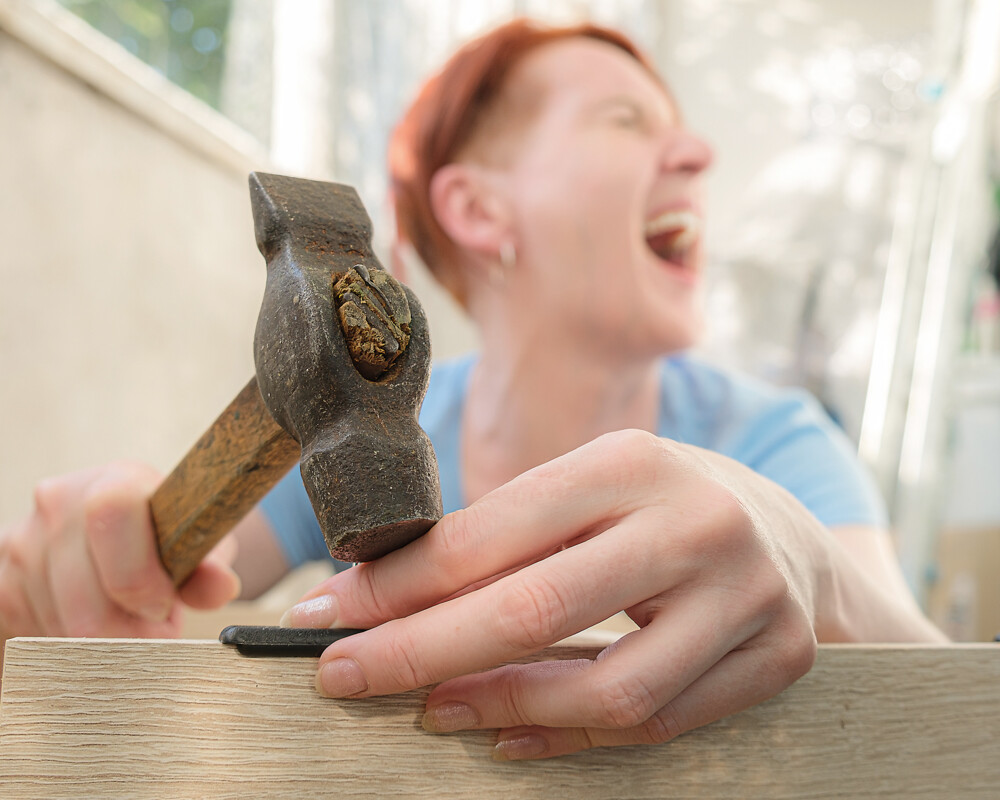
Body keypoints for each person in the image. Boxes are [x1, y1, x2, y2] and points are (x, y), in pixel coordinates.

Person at [0, 18, 944, 761]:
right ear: (477, 210)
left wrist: (820, 572)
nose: (699, 154)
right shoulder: (321, 429)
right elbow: (157, 582)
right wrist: (73, 573)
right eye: (628, 120)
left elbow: (948, 700)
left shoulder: (775, 442)